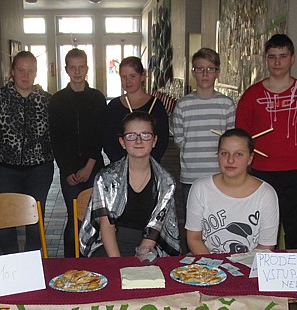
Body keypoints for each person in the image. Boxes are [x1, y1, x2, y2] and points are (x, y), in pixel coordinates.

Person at [235, 34, 297, 251]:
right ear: (265, 59)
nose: (277, 62)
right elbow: (242, 135)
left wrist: (296, 157)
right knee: (259, 233)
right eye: (272, 56)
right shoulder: (251, 96)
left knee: (296, 231)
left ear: (292, 59)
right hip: (260, 174)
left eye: (283, 56)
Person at [79, 111, 179, 258]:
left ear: (154, 141)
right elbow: (107, 227)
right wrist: (118, 263)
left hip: (150, 245)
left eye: (145, 135)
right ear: (122, 142)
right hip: (110, 244)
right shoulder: (106, 177)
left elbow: (154, 230)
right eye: (131, 136)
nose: (138, 141)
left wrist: (141, 259)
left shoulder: (166, 181)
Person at [0, 51, 53, 254]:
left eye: (30, 71)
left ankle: (33, 261)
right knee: (6, 219)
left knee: (35, 219)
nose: (25, 75)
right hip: (5, 169)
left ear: (36, 72)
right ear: (12, 71)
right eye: (21, 70)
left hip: (39, 169)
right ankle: (11, 262)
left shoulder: (47, 100)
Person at [48, 48, 107, 257]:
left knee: (94, 217)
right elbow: (56, 138)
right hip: (69, 171)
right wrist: (66, 170)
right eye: (72, 67)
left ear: (87, 68)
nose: (77, 71)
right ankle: (71, 263)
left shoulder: (97, 98)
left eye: (81, 67)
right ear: (66, 69)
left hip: (93, 167)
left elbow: (99, 134)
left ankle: (93, 260)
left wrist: (90, 165)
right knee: (74, 218)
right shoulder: (57, 100)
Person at [186, 129, 279, 254]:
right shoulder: (200, 188)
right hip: (207, 262)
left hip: (250, 263)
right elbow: (194, 238)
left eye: (239, 154)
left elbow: (266, 246)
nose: (230, 160)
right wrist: (212, 264)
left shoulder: (266, 194)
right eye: (224, 153)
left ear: (250, 158)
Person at [172, 47, 235, 208]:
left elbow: (231, 139)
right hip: (191, 175)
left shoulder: (226, 104)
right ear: (193, 72)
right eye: (200, 69)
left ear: (217, 72)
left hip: (219, 173)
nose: (205, 74)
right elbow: (179, 139)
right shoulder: (183, 105)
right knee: (193, 218)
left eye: (210, 69)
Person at [102, 56, 169, 163]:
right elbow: (108, 140)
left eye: (132, 76)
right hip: (120, 166)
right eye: (123, 77)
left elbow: (162, 140)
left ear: (142, 76)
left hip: (148, 166)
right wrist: (122, 164)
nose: (128, 81)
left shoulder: (156, 105)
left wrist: (146, 163)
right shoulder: (113, 106)